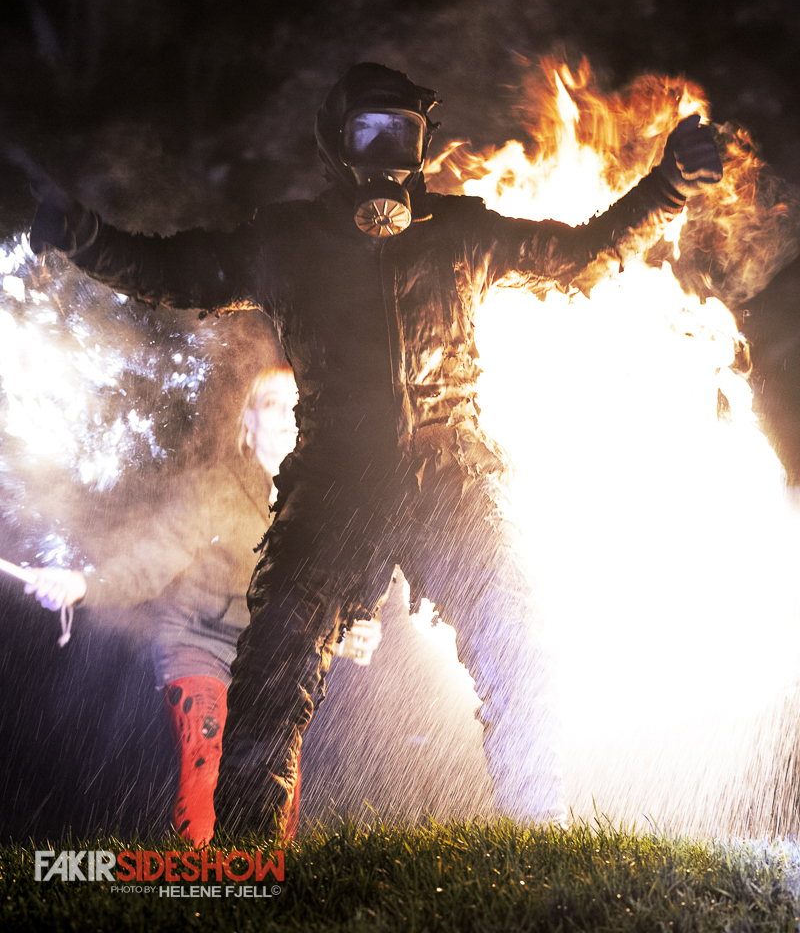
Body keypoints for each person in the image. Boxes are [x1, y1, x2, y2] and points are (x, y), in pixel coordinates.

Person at [29, 61, 723, 837]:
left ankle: (538, 830)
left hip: (454, 478)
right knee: (273, 669)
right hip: (334, 487)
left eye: (405, 134)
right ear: (337, 144)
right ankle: (251, 861)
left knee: (518, 641)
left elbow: (583, 255)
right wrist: (85, 237)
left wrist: (669, 186)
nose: (389, 152)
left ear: (424, 144)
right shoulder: (284, 242)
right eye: (371, 132)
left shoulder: (463, 231)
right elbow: (173, 272)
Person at [25, 363, 381, 844]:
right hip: (200, 649)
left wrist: (350, 630)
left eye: (296, 405)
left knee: (274, 789)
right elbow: (148, 564)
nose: (286, 416)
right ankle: (202, 879)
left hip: (272, 665)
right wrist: (83, 584)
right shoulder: (214, 488)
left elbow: (322, 599)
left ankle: (268, 882)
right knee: (208, 764)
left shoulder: (323, 506)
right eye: (271, 403)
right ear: (248, 422)